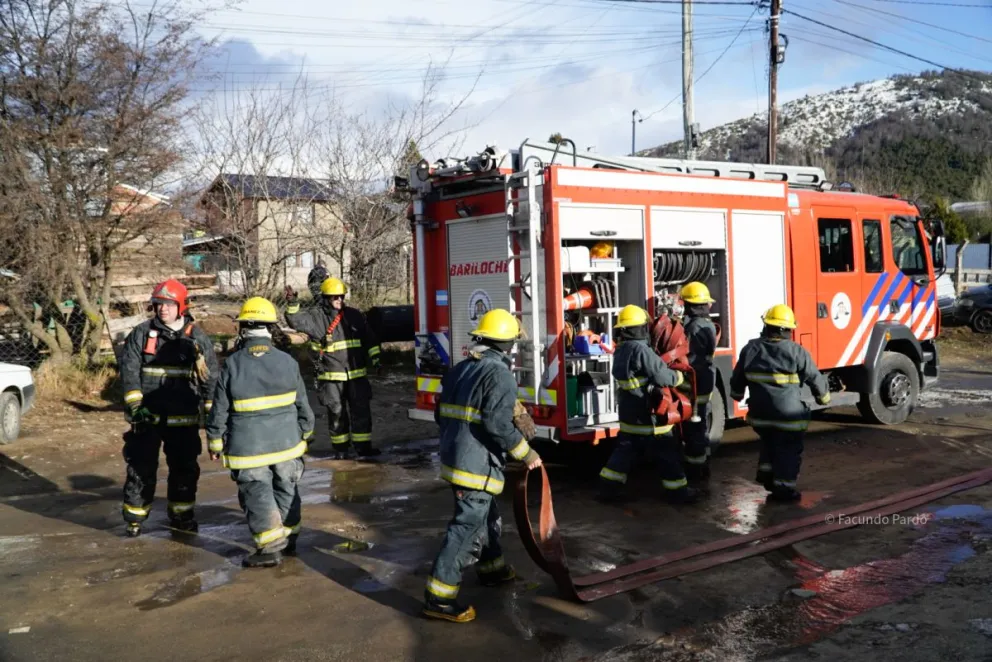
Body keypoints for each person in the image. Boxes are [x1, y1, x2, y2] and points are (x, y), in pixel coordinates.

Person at [423, 309, 542, 623]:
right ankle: (439, 598)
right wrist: (526, 453)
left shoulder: (461, 368)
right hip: (474, 466)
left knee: (487, 516)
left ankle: (493, 568)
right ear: (505, 344)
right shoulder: (499, 373)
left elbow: (442, 415)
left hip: (456, 459)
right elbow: (495, 423)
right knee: (466, 529)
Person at [206, 297, 315, 568]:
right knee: (286, 488)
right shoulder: (287, 362)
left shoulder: (232, 365)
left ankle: (269, 548)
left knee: (257, 491)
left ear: (243, 328)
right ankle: (289, 539)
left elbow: (219, 409)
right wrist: (306, 431)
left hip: (248, 448)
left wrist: (215, 441)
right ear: (270, 328)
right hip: (288, 444)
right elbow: (303, 403)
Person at [119, 279, 219, 537]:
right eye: (158, 304)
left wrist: (211, 417)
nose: (162, 309)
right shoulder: (141, 334)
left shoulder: (196, 337)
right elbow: (129, 371)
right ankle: (134, 518)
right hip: (147, 417)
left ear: (180, 306)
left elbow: (211, 378)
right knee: (140, 467)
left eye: (168, 304)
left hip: (183, 419)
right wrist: (135, 407)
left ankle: (182, 516)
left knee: (184, 469)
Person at [598, 304, 702, 505]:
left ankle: (608, 488)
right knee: (667, 453)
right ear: (640, 328)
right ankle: (678, 492)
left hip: (629, 417)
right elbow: (662, 376)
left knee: (623, 453)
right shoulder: (641, 350)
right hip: (648, 417)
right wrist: (679, 377)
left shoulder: (620, 350)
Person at [729, 304, 830, 502]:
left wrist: (737, 394)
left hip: (760, 416)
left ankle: (767, 476)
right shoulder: (796, 351)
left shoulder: (750, 348)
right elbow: (814, 377)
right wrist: (823, 398)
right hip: (788, 418)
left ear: (767, 326)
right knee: (788, 450)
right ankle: (784, 489)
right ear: (786, 330)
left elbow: (738, 378)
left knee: (769, 442)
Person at [284, 277, 381, 460]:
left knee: (361, 412)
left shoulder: (354, 315)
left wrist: (376, 358)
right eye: (335, 297)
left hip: (356, 376)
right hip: (331, 377)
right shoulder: (316, 317)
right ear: (326, 298)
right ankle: (341, 450)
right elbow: (295, 320)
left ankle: (363, 448)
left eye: (341, 297)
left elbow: (370, 338)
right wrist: (292, 303)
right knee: (337, 414)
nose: (339, 300)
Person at [679, 282, 718, 484]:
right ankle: (703, 464)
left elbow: (689, 356)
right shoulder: (706, 323)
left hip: (695, 381)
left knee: (694, 426)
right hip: (704, 379)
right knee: (700, 423)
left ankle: (696, 472)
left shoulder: (694, 327)